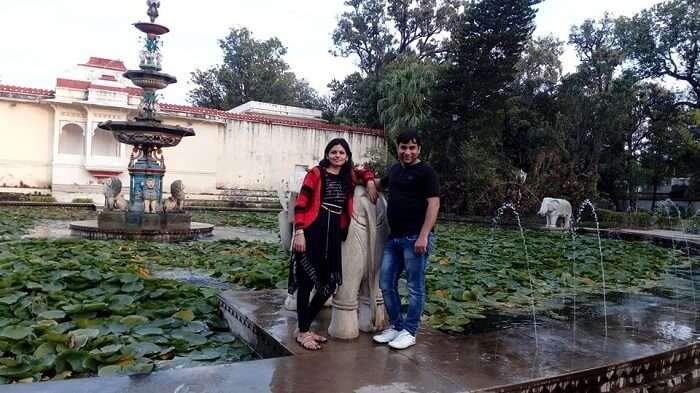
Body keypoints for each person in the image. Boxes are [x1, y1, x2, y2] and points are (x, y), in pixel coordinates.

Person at [291, 138, 377, 350]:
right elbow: (301, 204)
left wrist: (370, 181)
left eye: (341, 152)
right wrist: (299, 232)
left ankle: (303, 326)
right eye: (333, 152)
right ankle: (303, 332)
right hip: (313, 230)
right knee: (306, 284)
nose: (337, 155)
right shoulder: (316, 173)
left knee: (329, 285)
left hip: (333, 235)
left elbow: (364, 171)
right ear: (327, 154)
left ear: (347, 156)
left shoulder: (348, 175)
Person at [372, 128, 440, 350]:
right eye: (403, 147)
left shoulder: (426, 172)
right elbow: (379, 183)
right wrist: (369, 181)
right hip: (394, 239)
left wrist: (424, 235)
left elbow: (433, 204)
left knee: (414, 287)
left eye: (412, 147)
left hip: (415, 239)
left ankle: (409, 331)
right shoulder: (395, 171)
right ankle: (395, 325)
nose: (407, 152)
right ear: (397, 149)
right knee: (385, 283)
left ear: (419, 149)